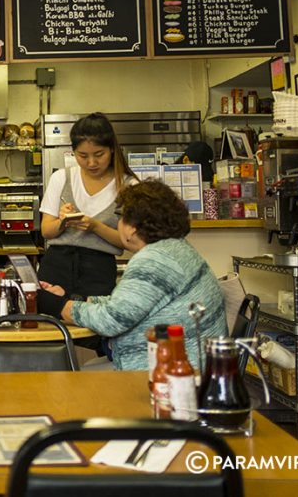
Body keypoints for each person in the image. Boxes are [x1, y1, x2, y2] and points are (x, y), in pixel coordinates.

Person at [39, 180, 228, 370]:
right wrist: (74, 299)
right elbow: (125, 306)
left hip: (169, 373)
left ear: (133, 228)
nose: (118, 223)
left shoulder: (154, 260)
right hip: (193, 363)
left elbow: (110, 321)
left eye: (120, 217)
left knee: (71, 382)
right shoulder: (174, 249)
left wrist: (55, 304)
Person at [38, 113, 137, 301]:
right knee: (51, 325)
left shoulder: (128, 187)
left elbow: (130, 242)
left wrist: (95, 227)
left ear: (112, 150)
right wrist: (63, 222)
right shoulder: (61, 178)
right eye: (83, 156)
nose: (91, 163)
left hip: (98, 271)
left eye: (99, 154)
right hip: (56, 266)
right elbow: (46, 231)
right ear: (73, 152)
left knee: (93, 326)